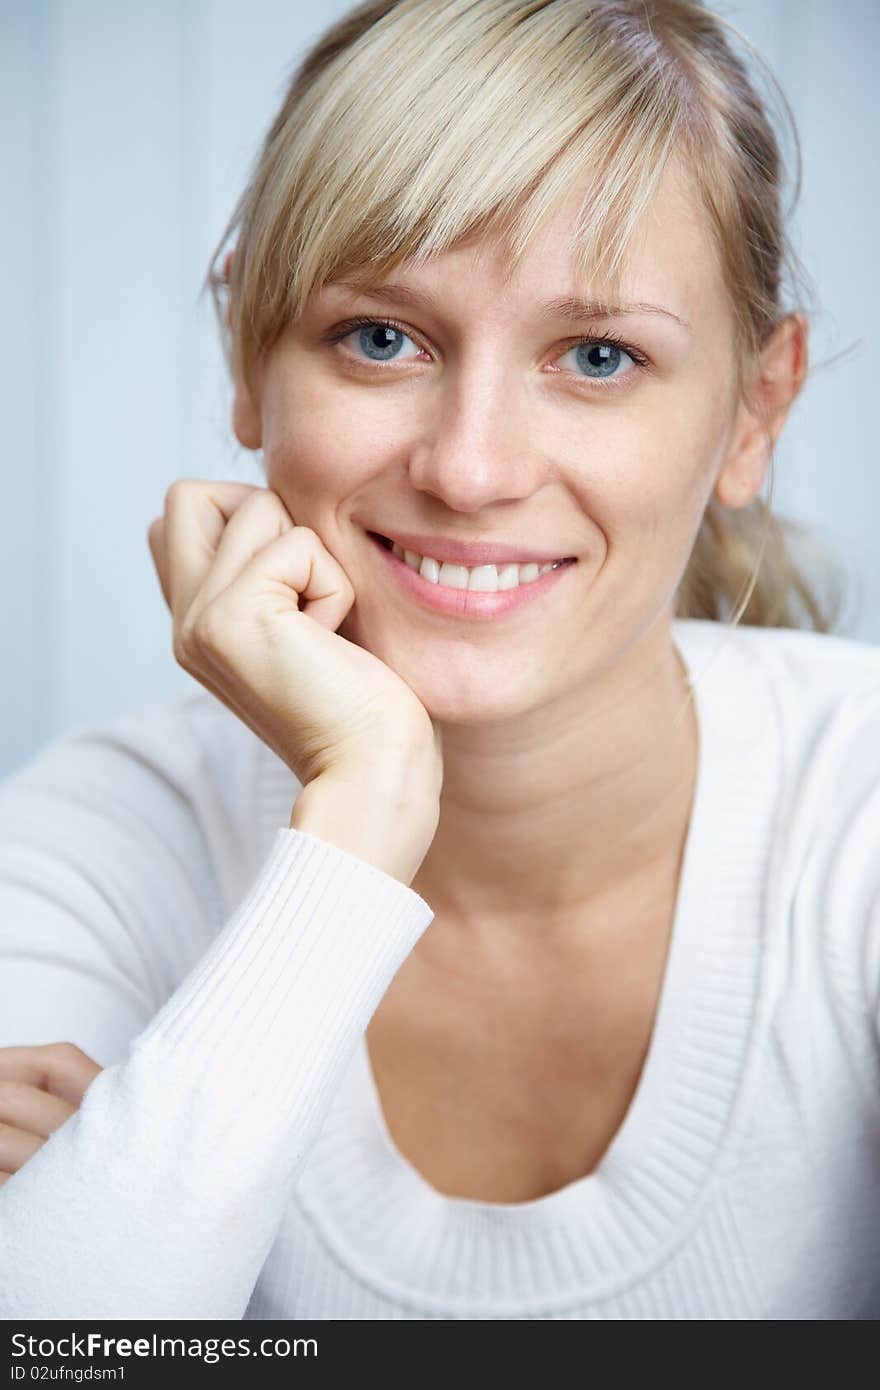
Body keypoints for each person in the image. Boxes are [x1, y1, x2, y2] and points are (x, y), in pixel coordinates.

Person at [0, 0, 877, 1321]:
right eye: (381, 338)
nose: (471, 467)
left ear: (756, 409)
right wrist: (361, 808)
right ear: (251, 362)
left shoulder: (859, 807)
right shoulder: (99, 837)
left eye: (598, 356)